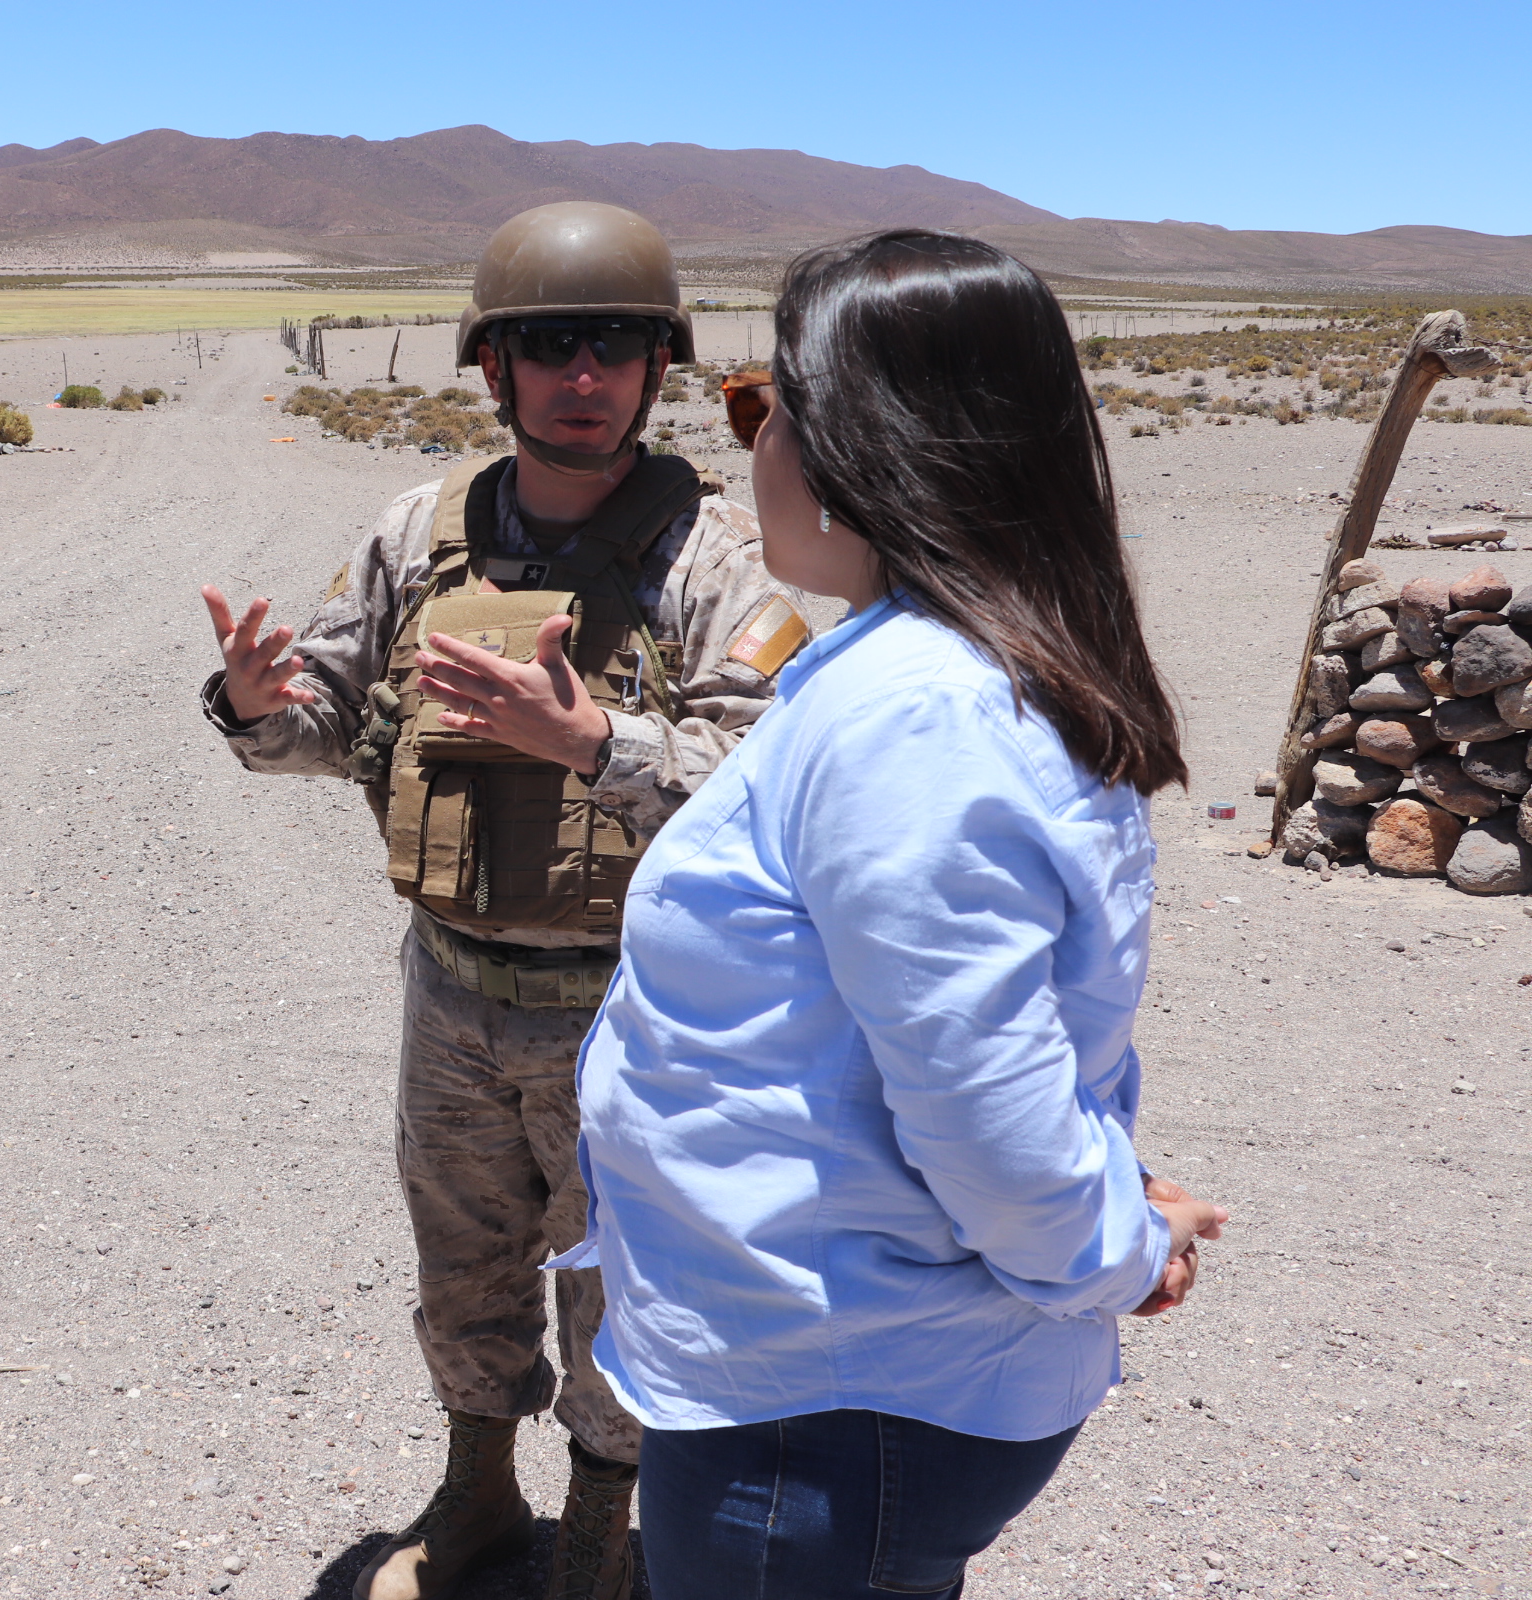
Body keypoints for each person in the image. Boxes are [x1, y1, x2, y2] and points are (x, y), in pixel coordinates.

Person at [563, 231, 1232, 1599]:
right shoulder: (913, 671)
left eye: (767, 408)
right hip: (827, 1382)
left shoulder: (916, 716)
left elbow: (985, 1099)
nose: (749, 449)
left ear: (870, 444)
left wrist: (1116, 1246)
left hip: (825, 1412)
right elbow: (964, 1041)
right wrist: (1113, 1206)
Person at [198, 202, 809, 1600]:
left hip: (633, 1009)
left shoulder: (719, 562)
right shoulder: (420, 533)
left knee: (621, 1290)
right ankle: (474, 1498)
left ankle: (597, 1539)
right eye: (549, 346)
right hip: (453, 991)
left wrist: (594, 742)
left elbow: (766, 781)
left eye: (615, 346)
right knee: (463, 1260)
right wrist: (251, 708)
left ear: (659, 369)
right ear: (495, 369)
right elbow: (333, 720)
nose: (582, 375)